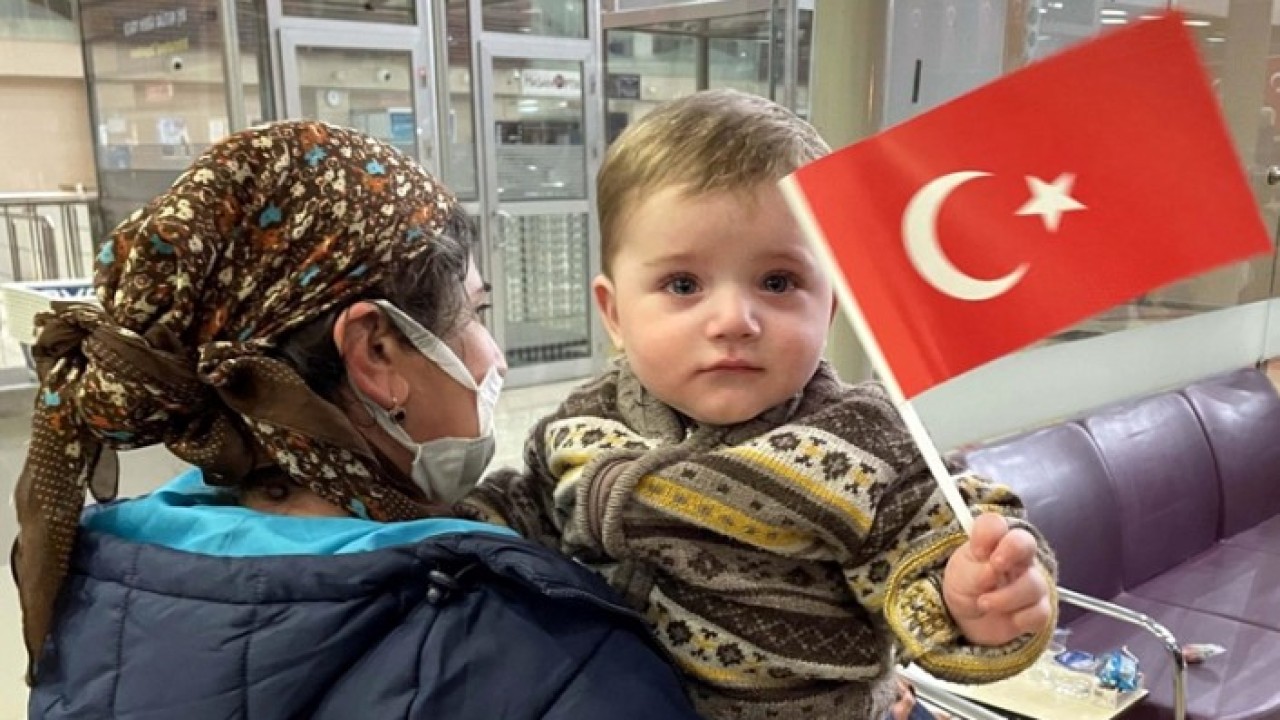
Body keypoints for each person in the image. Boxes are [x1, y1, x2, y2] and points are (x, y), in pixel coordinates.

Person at [11, 121, 702, 720]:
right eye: (475, 315)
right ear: (376, 354)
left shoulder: (97, 581)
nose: (494, 357)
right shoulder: (551, 653)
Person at [464, 89, 1058, 720]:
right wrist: (439, 531)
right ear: (614, 313)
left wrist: (976, 598)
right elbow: (518, 515)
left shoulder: (865, 441)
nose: (734, 320)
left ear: (829, 307)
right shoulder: (581, 425)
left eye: (778, 282)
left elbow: (939, 539)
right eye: (683, 284)